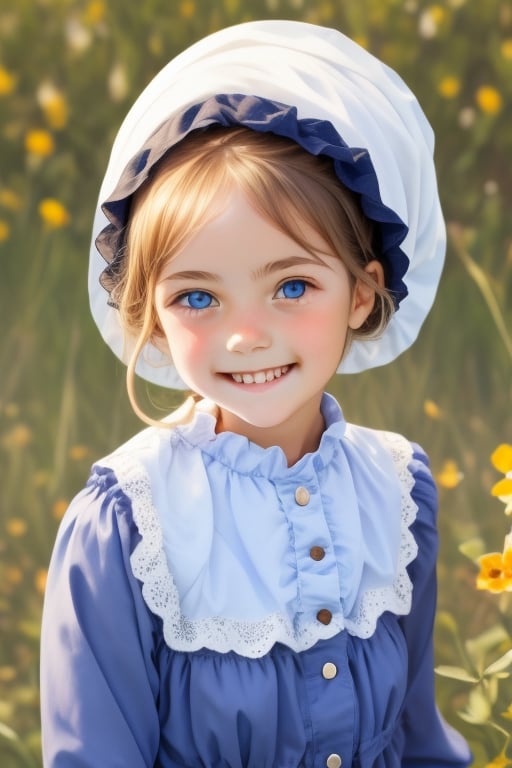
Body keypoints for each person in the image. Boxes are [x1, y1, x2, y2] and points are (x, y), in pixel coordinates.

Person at [40, 19, 472, 768]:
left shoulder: (398, 494)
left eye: (292, 286)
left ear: (363, 295)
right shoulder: (128, 526)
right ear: (148, 312)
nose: (247, 336)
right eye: (198, 298)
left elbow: (418, 736)